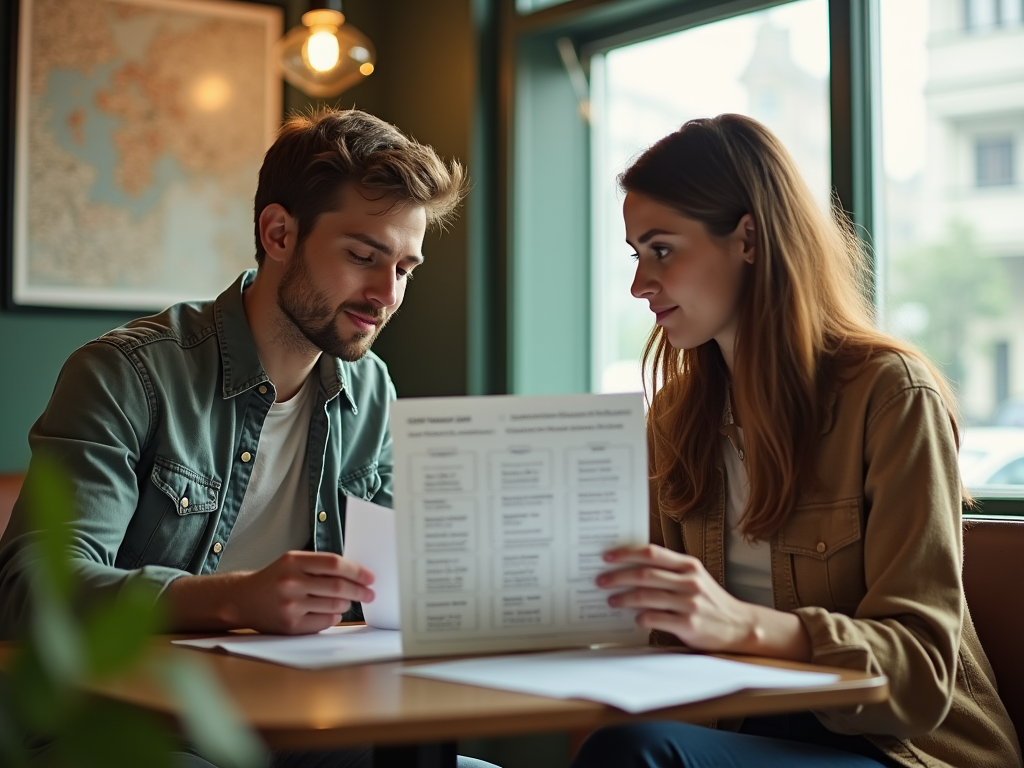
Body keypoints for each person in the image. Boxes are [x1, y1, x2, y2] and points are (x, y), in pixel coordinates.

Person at [0, 108, 494, 768]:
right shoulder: (127, 374)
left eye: (405, 267)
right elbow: (34, 592)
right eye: (363, 257)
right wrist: (234, 597)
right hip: (128, 728)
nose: (386, 295)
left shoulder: (370, 390)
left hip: (299, 722)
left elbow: (399, 586)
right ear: (279, 232)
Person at [575, 115, 1022, 768]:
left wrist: (741, 625)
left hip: (900, 750)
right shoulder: (674, 418)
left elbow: (922, 673)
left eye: (661, 250)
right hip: (747, 733)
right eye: (635, 254)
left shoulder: (891, 395)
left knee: (638, 756)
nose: (640, 284)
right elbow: (659, 636)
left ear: (748, 238)